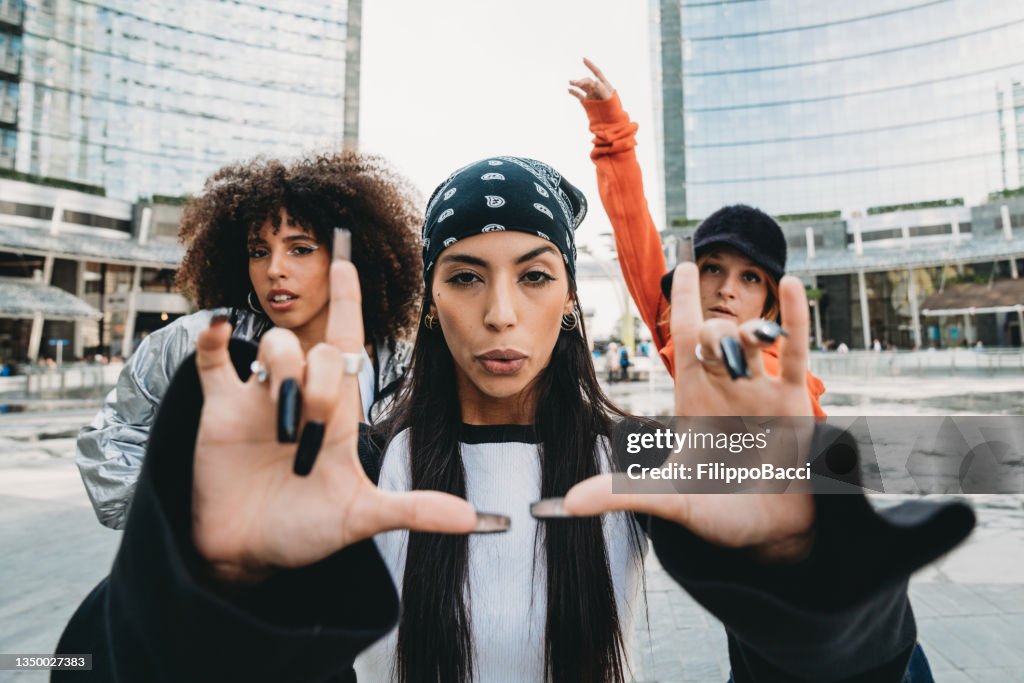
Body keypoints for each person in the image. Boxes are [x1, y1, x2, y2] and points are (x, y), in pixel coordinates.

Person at [56, 156, 974, 682]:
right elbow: (82, 664)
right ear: (430, 300)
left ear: (571, 296)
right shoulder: (356, 468)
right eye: (464, 275)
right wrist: (206, 589)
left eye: (534, 274)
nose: (500, 314)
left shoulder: (646, 456)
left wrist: (808, 586)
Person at [74, 151, 423, 530]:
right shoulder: (199, 342)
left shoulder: (406, 370)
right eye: (259, 252)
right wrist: (194, 524)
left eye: (300, 249)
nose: (274, 269)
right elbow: (109, 446)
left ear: (354, 259)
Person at [569, 59, 827, 417]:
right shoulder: (676, 327)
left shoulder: (778, 382)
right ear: (688, 283)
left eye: (750, 277)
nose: (726, 289)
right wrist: (610, 125)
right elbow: (632, 222)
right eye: (713, 269)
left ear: (770, 303)